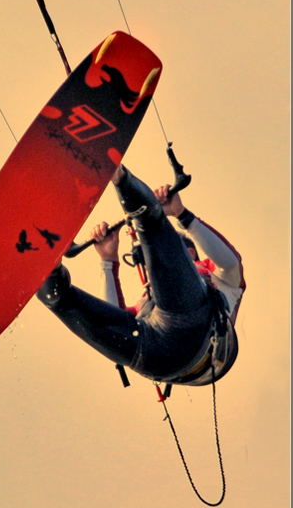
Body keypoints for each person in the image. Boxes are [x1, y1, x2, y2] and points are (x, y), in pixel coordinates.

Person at [36, 165, 245, 386]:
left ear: (189, 253)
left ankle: (117, 174)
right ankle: (48, 276)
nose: (150, 271)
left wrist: (182, 215)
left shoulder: (222, 282)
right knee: (62, 300)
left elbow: (231, 263)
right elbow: (113, 317)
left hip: (184, 343)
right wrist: (108, 258)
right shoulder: (148, 305)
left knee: (149, 221)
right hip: (158, 359)